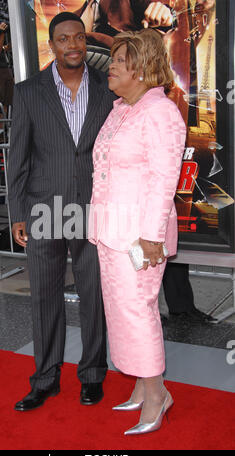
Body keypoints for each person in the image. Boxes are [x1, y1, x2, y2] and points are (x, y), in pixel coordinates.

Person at [7, 12, 115, 411]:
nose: (73, 45)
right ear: (51, 45)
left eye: (79, 38)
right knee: (45, 297)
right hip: (42, 209)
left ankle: (92, 375)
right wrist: (17, 212)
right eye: (64, 38)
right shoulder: (29, 91)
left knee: (93, 295)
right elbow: (17, 158)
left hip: (93, 208)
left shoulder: (107, 87)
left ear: (85, 42)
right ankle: (45, 379)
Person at [88, 29, 186, 434]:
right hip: (111, 231)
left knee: (138, 313)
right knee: (122, 314)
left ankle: (157, 396)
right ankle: (147, 389)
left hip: (139, 237)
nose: (109, 67)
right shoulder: (121, 108)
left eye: (118, 61)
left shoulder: (160, 112)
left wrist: (150, 237)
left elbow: (165, 179)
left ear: (142, 68)